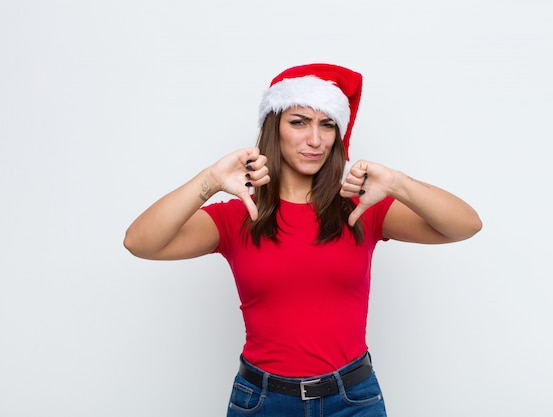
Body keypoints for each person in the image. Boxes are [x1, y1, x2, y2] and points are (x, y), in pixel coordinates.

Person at [124, 63, 482, 416]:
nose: (315, 140)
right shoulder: (237, 216)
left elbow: (465, 225)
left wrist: (398, 183)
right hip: (262, 402)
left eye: (327, 125)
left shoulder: (360, 209)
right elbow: (140, 242)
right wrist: (211, 179)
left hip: (353, 400)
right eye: (299, 122)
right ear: (274, 128)